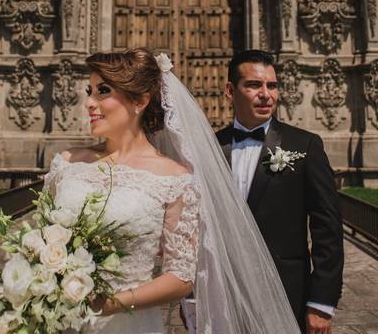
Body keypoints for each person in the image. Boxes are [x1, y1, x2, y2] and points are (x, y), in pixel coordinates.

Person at [43, 49, 297, 333]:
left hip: (124, 323)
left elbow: (181, 276)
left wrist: (108, 303)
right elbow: (38, 241)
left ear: (140, 100)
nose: (89, 103)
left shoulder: (175, 178)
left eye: (103, 91)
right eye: (90, 91)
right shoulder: (66, 163)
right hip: (55, 320)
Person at [216, 49, 344, 334]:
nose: (266, 94)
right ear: (229, 90)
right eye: (253, 85)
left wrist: (321, 302)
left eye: (271, 85)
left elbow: (328, 227)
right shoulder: (212, 148)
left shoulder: (305, 145)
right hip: (223, 293)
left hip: (287, 293)